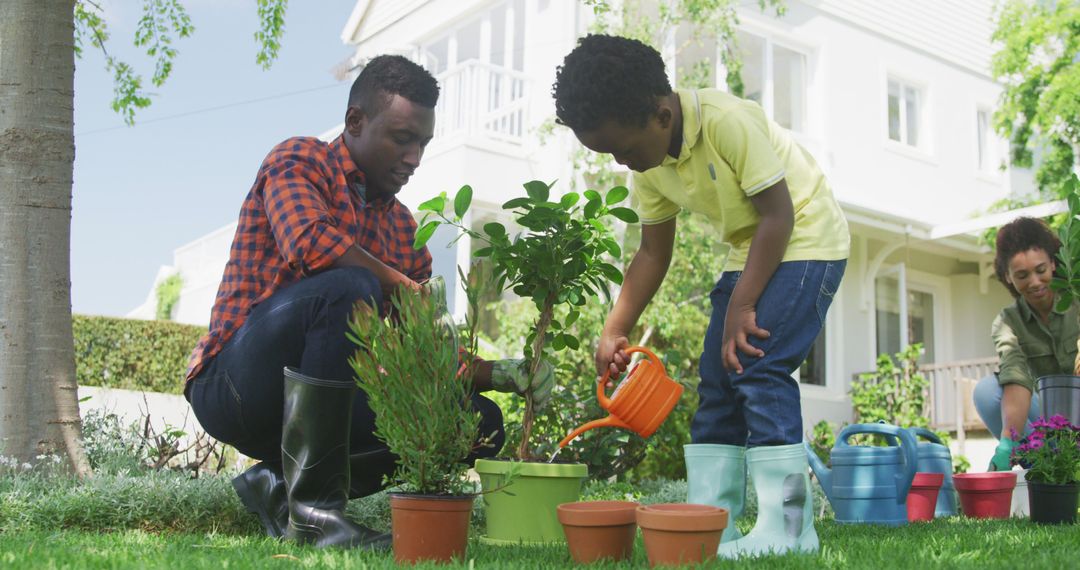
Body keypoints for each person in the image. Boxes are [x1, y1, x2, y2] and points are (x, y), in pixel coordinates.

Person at [184, 55, 553, 549]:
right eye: (403, 138)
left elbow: (420, 355)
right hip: (235, 389)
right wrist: (401, 285)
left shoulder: (404, 231)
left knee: (474, 421)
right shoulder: (299, 159)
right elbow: (310, 243)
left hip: (316, 411)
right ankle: (316, 516)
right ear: (355, 121)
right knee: (349, 285)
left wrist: (498, 374)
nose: (415, 157)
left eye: (423, 143)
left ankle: (276, 483)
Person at [552, 35, 849, 557]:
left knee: (758, 362)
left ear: (662, 115)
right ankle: (712, 523)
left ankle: (789, 529)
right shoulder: (651, 167)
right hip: (751, 247)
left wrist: (741, 305)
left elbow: (780, 215)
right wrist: (614, 328)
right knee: (716, 379)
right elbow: (651, 254)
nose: (623, 162)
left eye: (623, 149)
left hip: (807, 237)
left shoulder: (727, 120)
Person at [974, 216, 1079, 471]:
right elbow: (1016, 377)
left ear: (1053, 264)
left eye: (1040, 270)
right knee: (987, 392)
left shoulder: (1075, 298)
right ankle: (1049, 469)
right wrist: (1007, 443)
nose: (1034, 282)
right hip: (1051, 426)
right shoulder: (1008, 322)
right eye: (1022, 275)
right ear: (1008, 277)